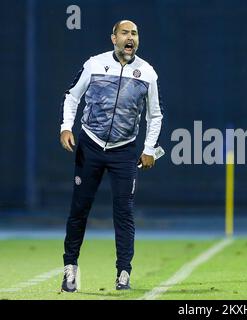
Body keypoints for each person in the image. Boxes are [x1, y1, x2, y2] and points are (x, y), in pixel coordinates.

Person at [59, 20, 163, 292]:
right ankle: (70, 268)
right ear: (113, 38)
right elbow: (72, 97)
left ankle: (124, 273)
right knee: (79, 210)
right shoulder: (93, 64)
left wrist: (149, 148)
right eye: (125, 33)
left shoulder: (147, 73)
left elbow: (155, 115)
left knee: (124, 213)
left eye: (135, 34)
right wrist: (66, 127)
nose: (131, 38)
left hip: (125, 151)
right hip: (90, 147)